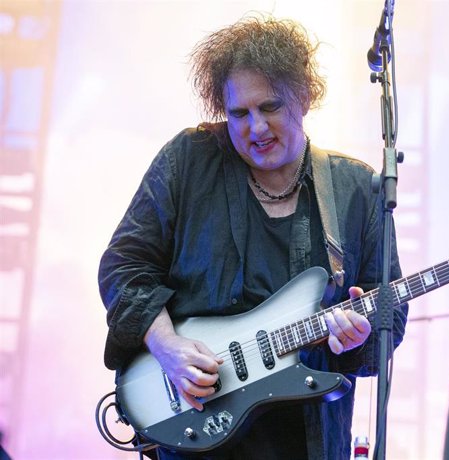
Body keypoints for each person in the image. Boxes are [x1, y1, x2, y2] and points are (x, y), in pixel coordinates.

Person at [98, 14, 408, 460]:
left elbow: (389, 316)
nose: (256, 129)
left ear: (303, 96)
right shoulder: (190, 160)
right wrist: (167, 348)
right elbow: (124, 265)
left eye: (270, 107)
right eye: (238, 114)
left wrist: (356, 339)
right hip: (193, 434)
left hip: (306, 440)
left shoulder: (355, 188)